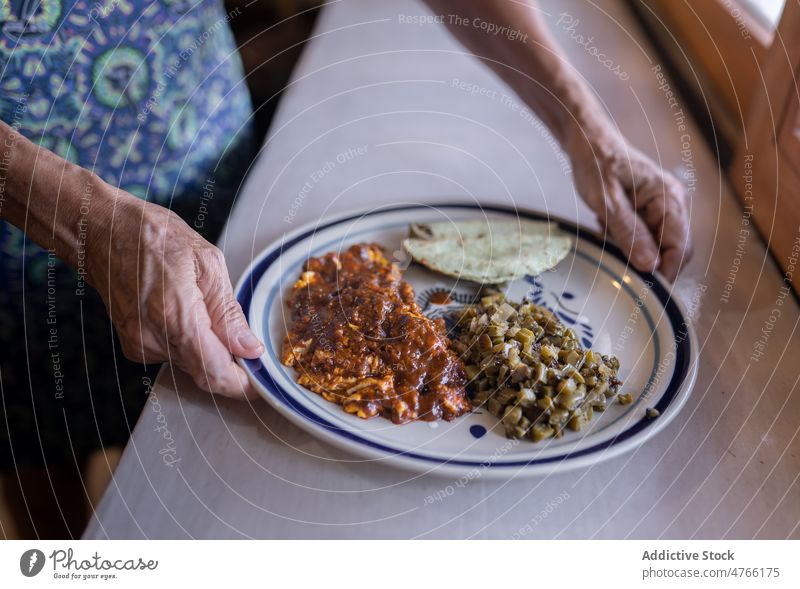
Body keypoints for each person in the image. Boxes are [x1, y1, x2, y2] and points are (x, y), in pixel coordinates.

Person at [0, 0, 690, 537]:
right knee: (47, 457)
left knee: (193, 464)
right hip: (16, 234)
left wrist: (587, 126)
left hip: (198, 142)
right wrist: (84, 216)